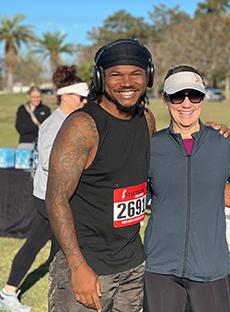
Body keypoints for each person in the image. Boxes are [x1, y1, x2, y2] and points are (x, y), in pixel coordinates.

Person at [45, 38, 156, 312]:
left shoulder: (147, 120)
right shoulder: (83, 126)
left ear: (149, 77)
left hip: (132, 264)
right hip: (88, 267)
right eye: (116, 74)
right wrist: (78, 265)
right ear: (100, 77)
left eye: (136, 74)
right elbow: (56, 198)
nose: (126, 82)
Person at [143, 65, 230, 312]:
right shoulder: (152, 147)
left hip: (210, 265)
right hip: (160, 267)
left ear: (202, 98)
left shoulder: (222, 145)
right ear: (165, 99)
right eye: (177, 96)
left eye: (193, 95)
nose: (186, 104)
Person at [0, 65, 88, 312]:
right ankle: (8, 293)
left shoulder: (71, 120)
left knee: (50, 246)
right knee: (46, 245)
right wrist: (81, 159)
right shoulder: (54, 123)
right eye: (81, 97)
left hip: (56, 197)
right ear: (66, 96)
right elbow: (49, 158)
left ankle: (13, 291)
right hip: (48, 198)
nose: (84, 101)